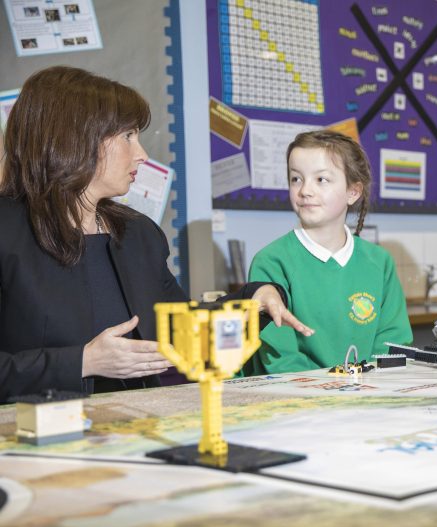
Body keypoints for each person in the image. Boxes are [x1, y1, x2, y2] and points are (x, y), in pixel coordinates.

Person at [0, 66, 311, 403]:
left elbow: (178, 328)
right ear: (74, 137)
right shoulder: (8, 231)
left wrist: (253, 301)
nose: (142, 155)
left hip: (135, 432)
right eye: (128, 136)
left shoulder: (138, 234)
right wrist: (82, 362)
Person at [245, 130, 412, 375]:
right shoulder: (271, 262)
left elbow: (392, 344)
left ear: (353, 192)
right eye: (296, 179)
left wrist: (372, 387)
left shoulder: (379, 261)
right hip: (299, 402)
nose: (305, 191)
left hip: (369, 400)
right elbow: (280, 357)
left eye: (321, 180)